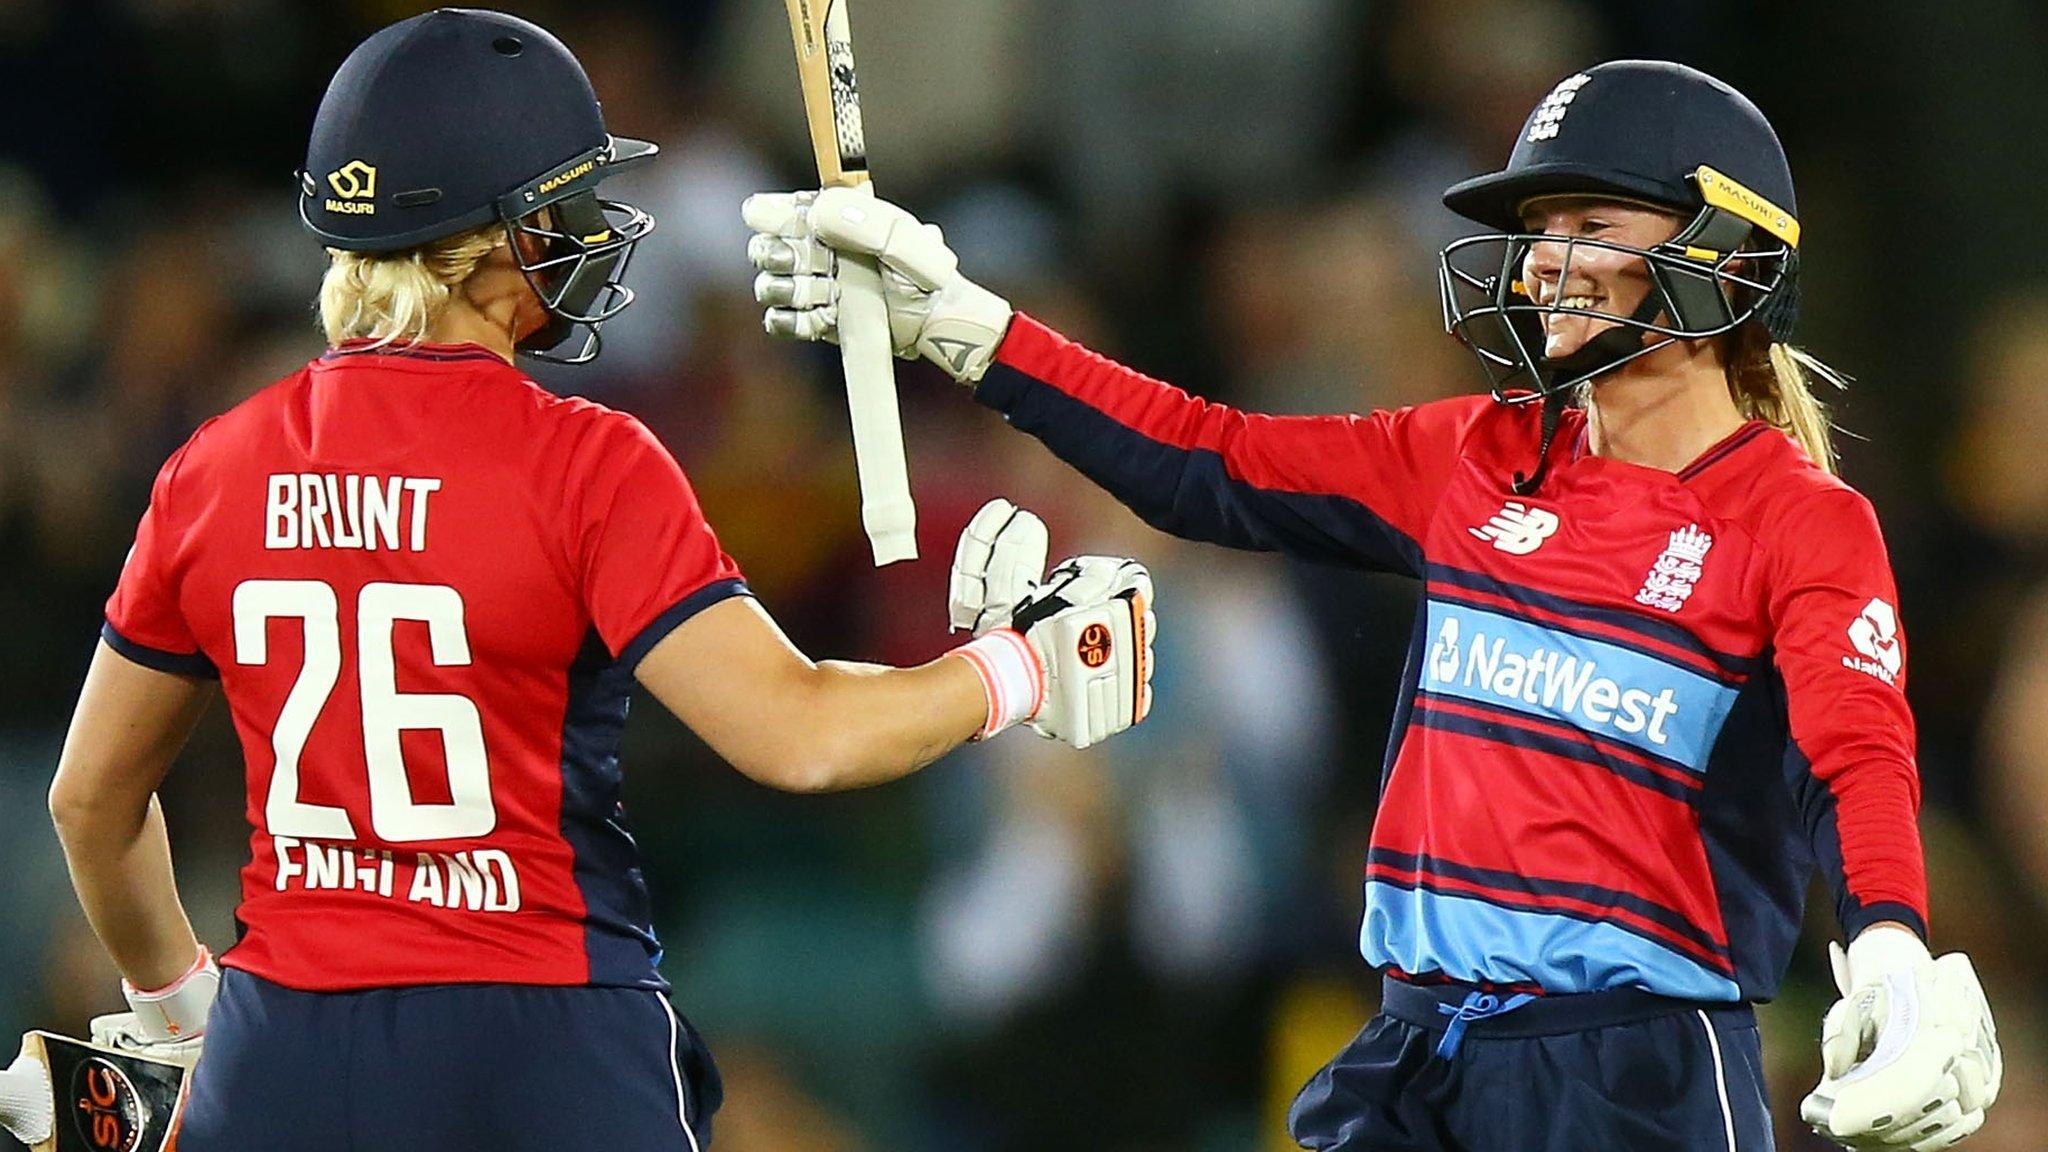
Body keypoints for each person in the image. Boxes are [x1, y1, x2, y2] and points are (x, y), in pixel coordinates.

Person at [745, 59, 2003, 1152]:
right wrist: (968, 330)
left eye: (1590, 218)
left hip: (1633, 1075)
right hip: (1411, 1052)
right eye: (1539, 224)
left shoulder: (1798, 518)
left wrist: (1888, 937)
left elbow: (1858, 751)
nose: (1547, 258)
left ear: (1724, 256)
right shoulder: (1471, 451)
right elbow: (1207, 459)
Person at [45, 10, 1156, 1152]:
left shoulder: (212, 467)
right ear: (484, 240)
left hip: (283, 1056)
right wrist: (1021, 665)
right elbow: (800, 735)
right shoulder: (581, 460)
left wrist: (180, 1013)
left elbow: (90, 802)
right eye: (558, 209)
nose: (585, 235)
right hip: (543, 1044)